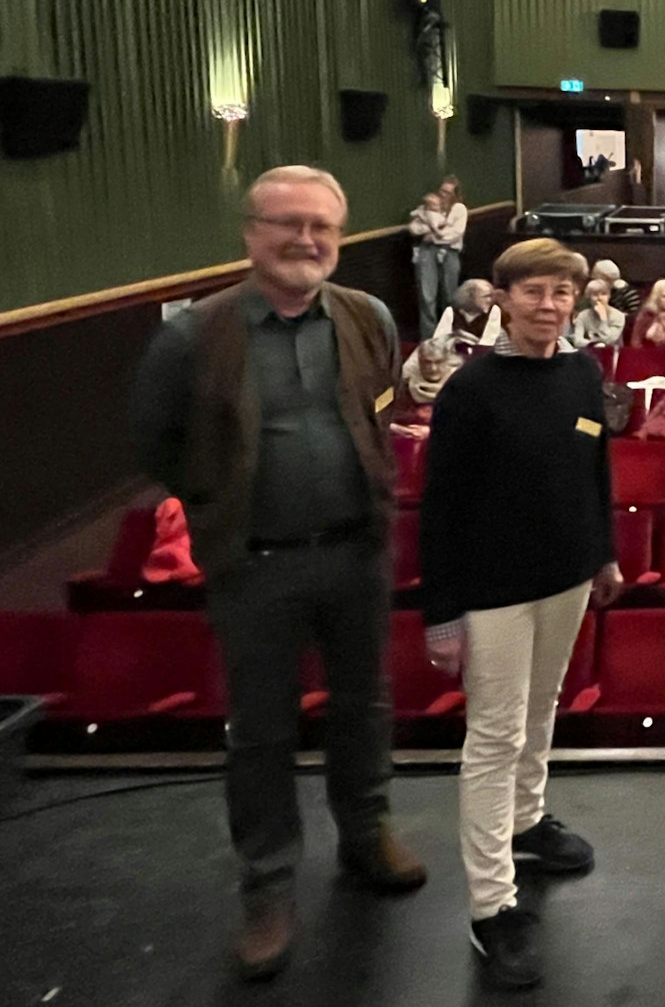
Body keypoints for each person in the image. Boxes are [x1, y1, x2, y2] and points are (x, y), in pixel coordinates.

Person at [130, 165, 425, 981]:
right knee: (260, 733)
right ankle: (266, 886)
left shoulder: (366, 317)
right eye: (287, 223)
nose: (305, 239)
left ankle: (367, 836)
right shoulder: (194, 335)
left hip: (356, 553)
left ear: (339, 235)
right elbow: (155, 445)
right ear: (251, 232)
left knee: (366, 706)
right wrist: (224, 505)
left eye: (322, 226)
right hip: (254, 566)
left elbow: (381, 412)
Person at [418, 238, 621, 989]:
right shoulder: (470, 390)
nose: (549, 304)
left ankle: (527, 820)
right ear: (502, 298)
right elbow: (439, 510)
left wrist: (603, 552)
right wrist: (442, 613)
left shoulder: (581, 371)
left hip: (567, 579)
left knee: (541, 710)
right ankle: (491, 905)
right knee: (494, 735)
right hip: (492, 590)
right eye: (533, 291)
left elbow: (595, 463)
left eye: (561, 293)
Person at [408, 188, 465, 334]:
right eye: (442, 191)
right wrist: (429, 228)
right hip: (427, 252)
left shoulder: (459, 210)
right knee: (427, 296)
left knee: (450, 295)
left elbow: (455, 234)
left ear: (455, 195)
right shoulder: (425, 209)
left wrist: (433, 236)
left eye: (447, 192)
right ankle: (429, 337)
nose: (443, 195)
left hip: (450, 252)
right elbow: (414, 228)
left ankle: (450, 333)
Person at [570, 278, 626, 346]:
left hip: (612, 353)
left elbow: (609, 340)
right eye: (595, 295)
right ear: (589, 297)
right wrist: (593, 344)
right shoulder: (582, 316)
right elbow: (577, 341)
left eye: (603, 294)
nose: (600, 298)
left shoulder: (619, 316)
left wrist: (603, 319)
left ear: (609, 296)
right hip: (589, 352)